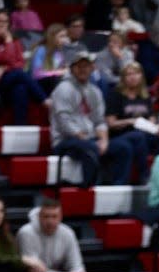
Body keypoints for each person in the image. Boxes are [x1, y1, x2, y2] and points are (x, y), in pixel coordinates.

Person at [50, 49, 132, 188]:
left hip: (90, 138)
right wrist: (88, 140)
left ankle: (117, 187)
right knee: (89, 149)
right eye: (79, 66)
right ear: (72, 68)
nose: (83, 69)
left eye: (86, 66)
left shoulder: (95, 91)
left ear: (92, 68)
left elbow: (99, 120)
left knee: (124, 147)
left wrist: (104, 140)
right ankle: (87, 188)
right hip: (65, 141)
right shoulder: (63, 89)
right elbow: (65, 122)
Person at [105, 61, 158, 185]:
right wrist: (131, 121)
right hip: (120, 136)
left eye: (136, 73)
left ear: (141, 76)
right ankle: (144, 175)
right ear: (123, 78)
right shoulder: (115, 95)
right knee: (137, 136)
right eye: (129, 74)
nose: (133, 77)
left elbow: (152, 118)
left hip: (144, 134)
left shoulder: (145, 96)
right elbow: (111, 123)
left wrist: (155, 126)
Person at [93, 30, 135, 96]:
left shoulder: (128, 54)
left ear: (123, 44)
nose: (111, 44)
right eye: (110, 41)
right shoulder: (102, 55)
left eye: (115, 42)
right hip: (107, 84)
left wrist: (120, 58)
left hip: (122, 82)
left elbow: (128, 74)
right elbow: (106, 77)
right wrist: (122, 80)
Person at [30, 23, 68, 94]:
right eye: (62, 36)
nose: (64, 40)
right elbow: (36, 74)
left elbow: (62, 70)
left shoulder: (59, 53)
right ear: (52, 37)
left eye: (65, 36)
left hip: (53, 82)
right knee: (55, 80)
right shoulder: (41, 50)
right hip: (39, 84)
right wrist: (57, 72)